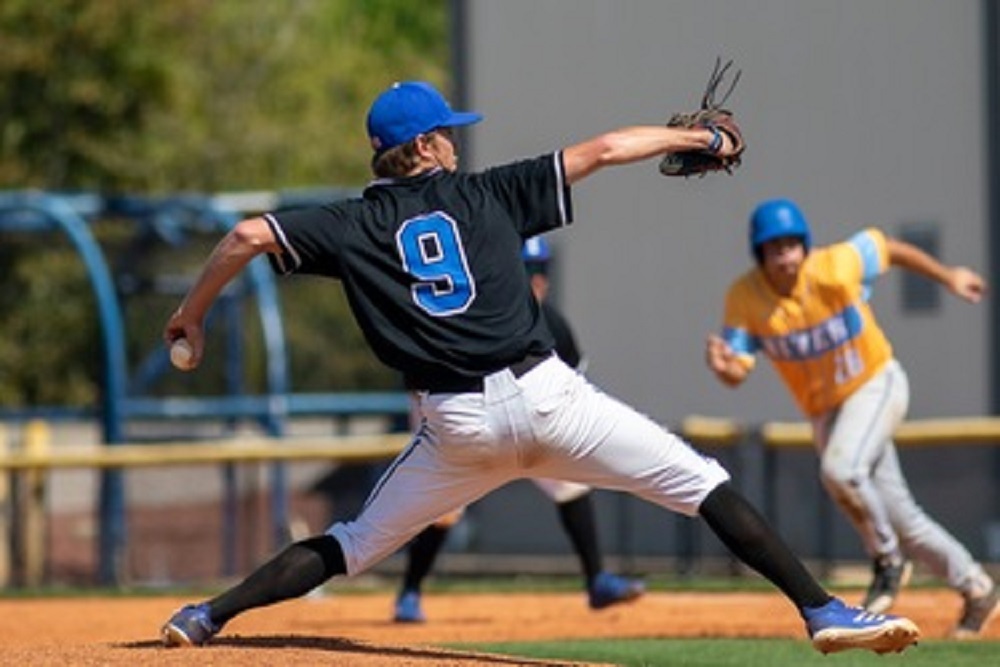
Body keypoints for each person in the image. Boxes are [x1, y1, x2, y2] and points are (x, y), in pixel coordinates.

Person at [160, 80, 920, 655]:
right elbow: (604, 150)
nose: (456, 143)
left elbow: (245, 235)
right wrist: (696, 142)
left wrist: (190, 314)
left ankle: (205, 616)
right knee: (703, 485)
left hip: (455, 426)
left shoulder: (352, 223)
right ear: (423, 147)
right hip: (548, 397)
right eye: (446, 136)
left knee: (353, 543)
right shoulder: (490, 192)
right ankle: (822, 609)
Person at [705, 197, 999, 639]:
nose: (784, 255)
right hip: (827, 411)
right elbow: (736, 371)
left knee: (840, 471)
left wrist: (947, 275)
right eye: (773, 247)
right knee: (905, 520)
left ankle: (887, 561)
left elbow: (890, 247)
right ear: (759, 254)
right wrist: (724, 366)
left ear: (805, 245)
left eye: (791, 244)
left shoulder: (836, 264)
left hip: (874, 384)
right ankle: (977, 588)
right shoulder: (745, 297)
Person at [393, 236, 644, 623]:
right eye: (528, 271)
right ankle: (409, 590)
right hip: (464, 420)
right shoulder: (471, 317)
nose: (537, 280)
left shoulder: (554, 325)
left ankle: (597, 580)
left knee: (571, 485)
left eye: (542, 270)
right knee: (445, 508)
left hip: (529, 422)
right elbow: (419, 379)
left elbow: (575, 389)